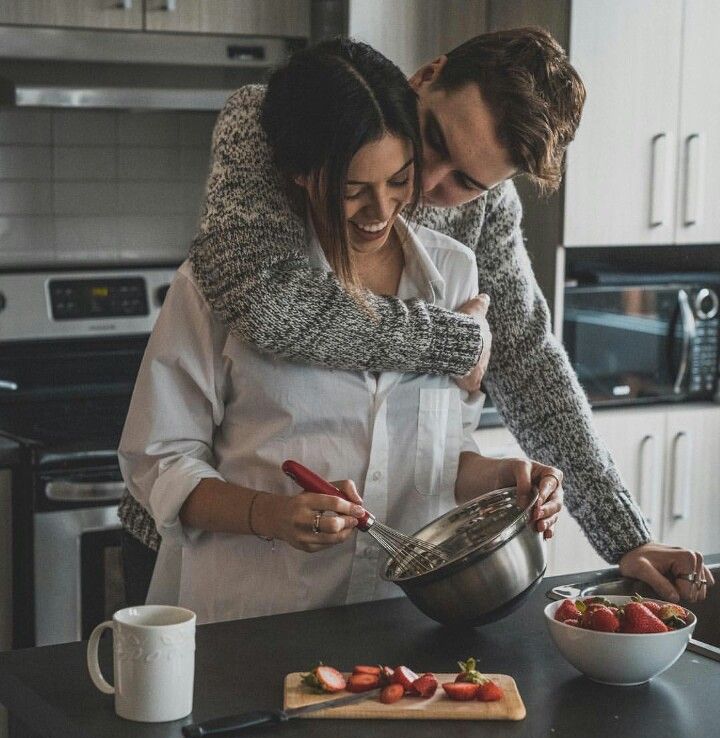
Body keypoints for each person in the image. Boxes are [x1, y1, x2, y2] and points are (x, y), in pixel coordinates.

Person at [119, 27, 712, 604]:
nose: (427, 185)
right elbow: (261, 297)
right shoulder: (281, 116)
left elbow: (526, 363)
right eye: (433, 139)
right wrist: (456, 341)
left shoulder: (470, 240)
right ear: (428, 75)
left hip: (371, 594)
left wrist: (626, 537)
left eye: (467, 182)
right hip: (213, 552)